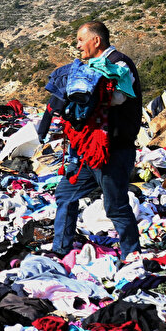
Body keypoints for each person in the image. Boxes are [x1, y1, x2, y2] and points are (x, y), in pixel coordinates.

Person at [52, 21, 143, 259]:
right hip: (89, 150)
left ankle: (131, 255)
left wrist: (87, 89)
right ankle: (60, 250)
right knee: (65, 195)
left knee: (116, 206)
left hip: (113, 150)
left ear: (96, 40)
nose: (78, 45)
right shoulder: (91, 66)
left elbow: (118, 98)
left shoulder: (119, 64)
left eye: (81, 40)